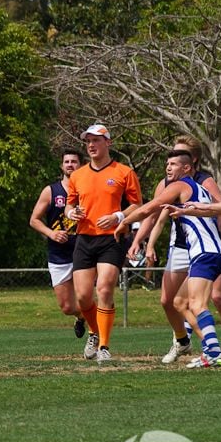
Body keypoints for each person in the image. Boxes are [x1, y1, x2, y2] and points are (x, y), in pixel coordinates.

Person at [117, 150, 221, 367]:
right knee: (178, 301)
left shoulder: (180, 186)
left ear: (187, 168)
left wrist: (123, 221)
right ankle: (209, 350)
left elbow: (148, 209)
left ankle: (213, 353)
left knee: (197, 303)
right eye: (167, 163)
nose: (168, 168)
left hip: (205, 253)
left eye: (174, 164)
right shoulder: (200, 191)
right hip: (210, 253)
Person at [65, 124, 142, 363]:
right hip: (85, 238)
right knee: (83, 296)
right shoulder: (77, 175)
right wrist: (71, 214)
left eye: (96, 140)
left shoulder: (124, 172)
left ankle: (105, 347)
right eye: (88, 141)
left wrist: (118, 216)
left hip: (112, 238)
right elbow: (70, 204)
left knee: (105, 288)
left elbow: (137, 205)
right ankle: (95, 331)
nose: (91, 145)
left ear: (108, 142)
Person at [29, 149, 86, 338]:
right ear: (62, 166)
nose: (70, 164)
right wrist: (51, 234)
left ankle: (98, 335)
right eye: (67, 161)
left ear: (81, 165)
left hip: (83, 251)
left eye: (74, 161)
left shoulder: (87, 190)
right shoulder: (51, 191)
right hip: (58, 255)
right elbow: (34, 220)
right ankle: (81, 318)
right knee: (67, 307)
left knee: (86, 297)